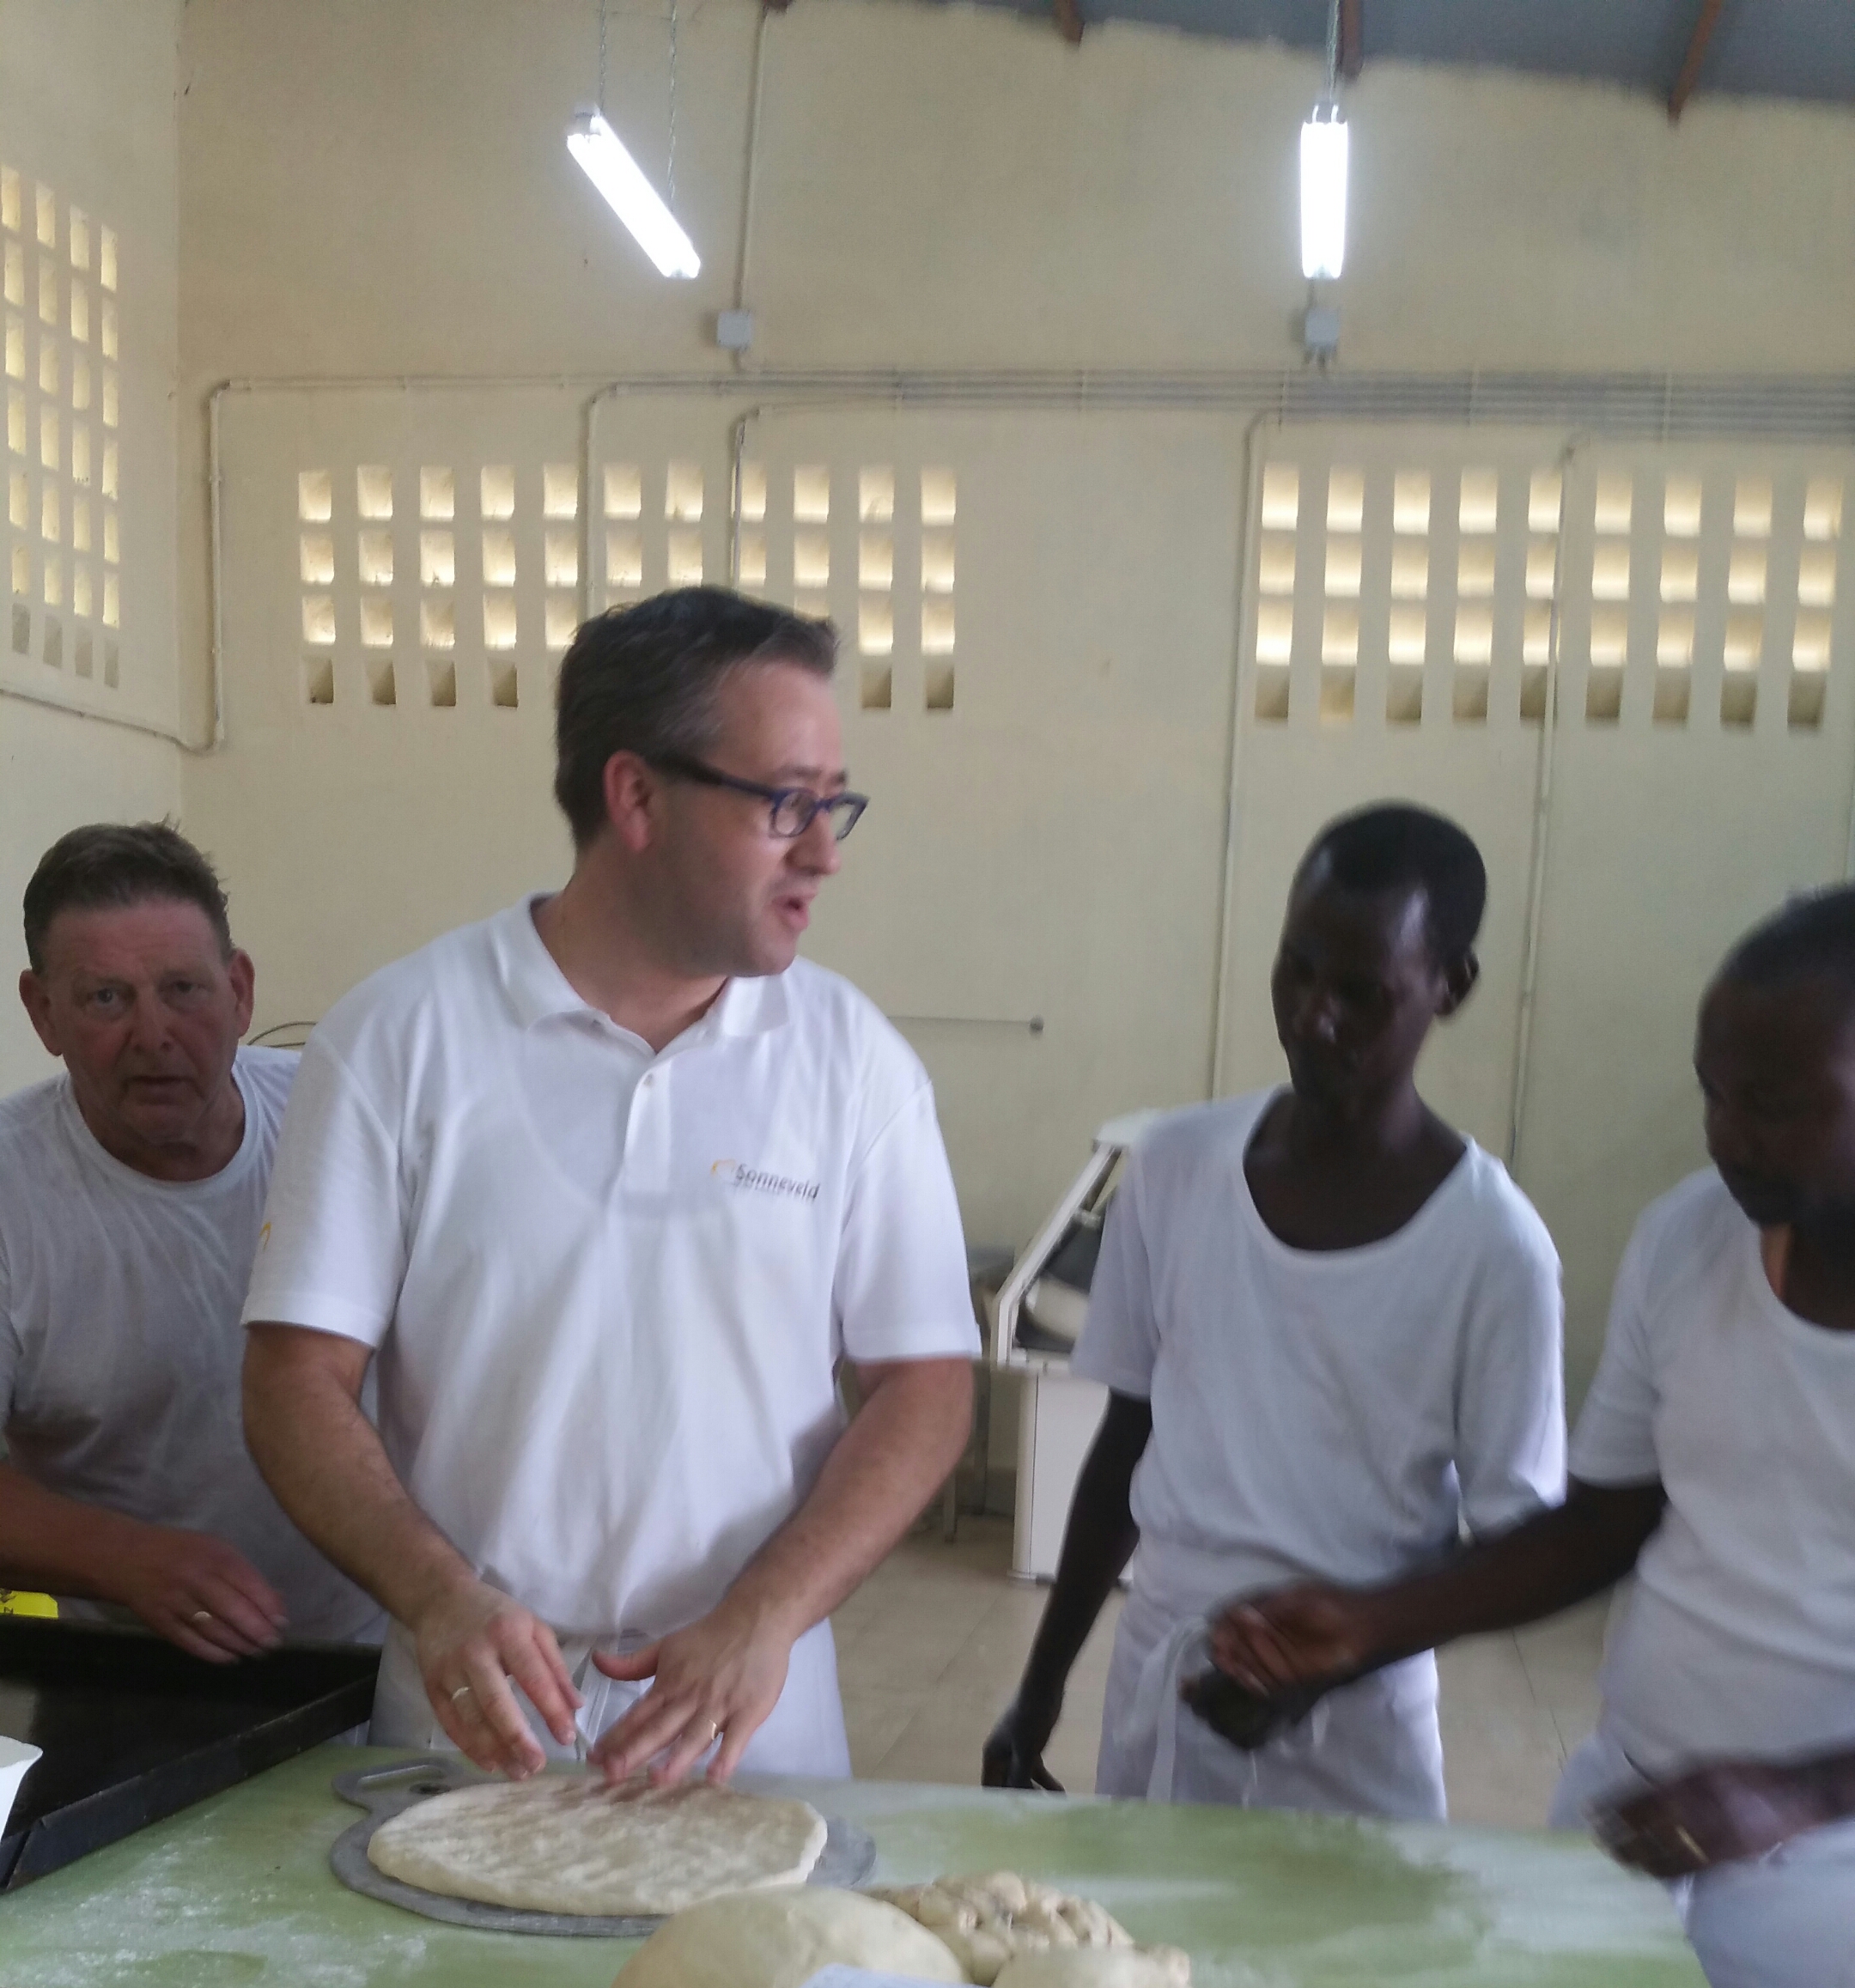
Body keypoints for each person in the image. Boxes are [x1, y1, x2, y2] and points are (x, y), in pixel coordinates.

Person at [242, 587, 977, 1785]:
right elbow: (292, 1379)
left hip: (752, 1731)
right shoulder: (402, 1038)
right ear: (635, 795)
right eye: (786, 801)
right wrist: (439, 1597)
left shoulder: (852, 1063)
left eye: (833, 802)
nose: (825, 850)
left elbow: (926, 1383)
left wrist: (765, 1615)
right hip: (472, 1733)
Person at [1208, 885, 1855, 1988]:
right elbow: (1600, 1522)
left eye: (1779, 1102)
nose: (1728, 1133)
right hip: (1633, 1809)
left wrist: (1797, 1791)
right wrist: (1368, 1621)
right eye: (1713, 1092)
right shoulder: (1689, 1236)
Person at [982, 803, 1565, 1818]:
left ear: (1451, 985)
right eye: (1296, 969)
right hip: (1164, 1682)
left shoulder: (1494, 1248)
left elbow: (1519, 1545)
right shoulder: (1174, 1169)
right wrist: (1041, 1685)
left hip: (1359, 1732)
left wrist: (1337, 1650)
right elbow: (1128, 1439)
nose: (1312, 1015)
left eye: (1359, 991)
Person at [1, 822, 383, 1657]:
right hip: (136, 1678)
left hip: (386, 1654)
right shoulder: (10, 1189)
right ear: (42, 1010)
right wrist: (121, 1555)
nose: (153, 1034)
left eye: (183, 988)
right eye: (106, 996)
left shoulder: (344, 1116)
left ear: (240, 990)